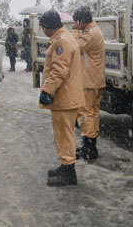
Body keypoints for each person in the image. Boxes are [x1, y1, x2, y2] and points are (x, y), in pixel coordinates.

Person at [38, 10, 85, 186]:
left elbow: (59, 70)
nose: (43, 30)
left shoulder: (62, 42)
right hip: (65, 96)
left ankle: (69, 172)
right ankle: (65, 166)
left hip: (64, 97)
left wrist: (47, 91)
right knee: (64, 134)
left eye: (43, 27)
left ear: (50, 27)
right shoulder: (63, 38)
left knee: (65, 135)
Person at [72, 6, 105, 160]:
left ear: (81, 21)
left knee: (86, 113)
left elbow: (76, 47)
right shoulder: (94, 31)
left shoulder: (90, 34)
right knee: (93, 113)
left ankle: (89, 147)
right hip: (95, 79)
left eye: (76, 21)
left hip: (89, 81)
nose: (75, 24)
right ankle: (90, 145)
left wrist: (74, 31)